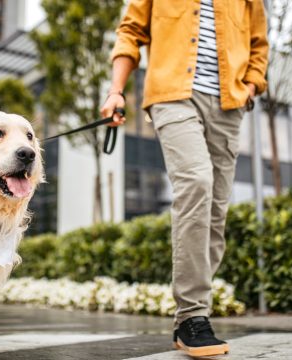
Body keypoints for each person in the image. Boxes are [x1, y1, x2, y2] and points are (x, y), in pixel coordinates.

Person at [100, 0, 269, 356]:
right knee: (196, 183)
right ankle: (193, 316)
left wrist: (250, 87)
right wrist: (116, 90)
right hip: (173, 95)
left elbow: (259, 43)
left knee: (216, 211)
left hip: (229, 105)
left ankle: (192, 315)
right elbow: (130, 32)